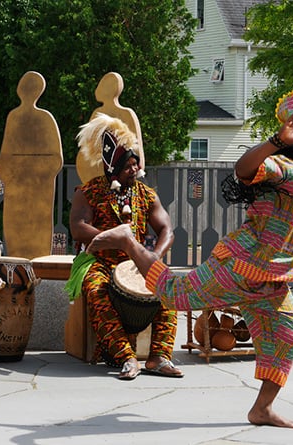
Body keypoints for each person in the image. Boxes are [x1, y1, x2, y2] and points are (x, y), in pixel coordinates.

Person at [87, 88, 293, 427]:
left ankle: (261, 409)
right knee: (174, 294)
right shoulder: (281, 167)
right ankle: (128, 241)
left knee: (288, 333)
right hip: (240, 265)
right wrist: (276, 140)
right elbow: (242, 169)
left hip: (272, 279)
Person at [69, 113, 182, 380]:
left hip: (137, 263)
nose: (134, 170)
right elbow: (78, 226)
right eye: (128, 166)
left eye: (136, 164)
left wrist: (153, 257)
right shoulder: (88, 192)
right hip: (101, 263)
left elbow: (167, 230)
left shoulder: (145, 194)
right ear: (113, 169)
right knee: (96, 289)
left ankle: (159, 357)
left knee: (169, 288)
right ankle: (126, 357)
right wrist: (112, 238)